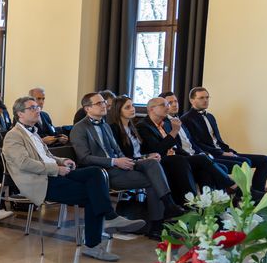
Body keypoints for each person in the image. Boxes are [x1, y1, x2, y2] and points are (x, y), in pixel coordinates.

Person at [3, 96, 146, 261]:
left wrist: (63, 161)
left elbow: (46, 156)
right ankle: (96, 240)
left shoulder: (33, 132)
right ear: (20, 113)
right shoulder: (13, 136)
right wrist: (57, 169)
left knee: (96, 172)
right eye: (33, 108)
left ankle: (108, 218)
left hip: (53, 172)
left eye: (38, 107)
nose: (38, 110)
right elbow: (24, 163)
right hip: (41, 181)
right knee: (93, 194)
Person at [70, 92, 185, 225]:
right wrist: (115, 161)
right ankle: (156, 223)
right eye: (99, 103)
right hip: (103, 172)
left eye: (104, 102)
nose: (104, 105)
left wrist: (140, 158)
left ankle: (168, 205)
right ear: (87, 108)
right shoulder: (79, 128)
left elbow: (118, 151)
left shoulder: (105, 126)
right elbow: (84, 158)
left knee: (152, 163)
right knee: (153, 180)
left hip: (119, 165)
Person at [137, 96, 239, 201]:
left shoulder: (164, 124)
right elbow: (158, 149)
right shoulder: (143, 126)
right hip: (160, 161)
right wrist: (174, 131)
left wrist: (190, 155)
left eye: (167, 104)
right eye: (163, 105)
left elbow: (176, 147)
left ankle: (208, 204)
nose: (167, 107)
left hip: (177, 158)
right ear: (151, 109)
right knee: (202, 159)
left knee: (205, 170)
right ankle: (231, 185)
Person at [109, 96, 199, 207]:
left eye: (132, 105)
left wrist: (148, 155)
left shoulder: (131, 127)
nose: (133, 109)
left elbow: (140, 151)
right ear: (118, 110)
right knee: (176, 161)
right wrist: (145, 157)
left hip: (143, 160)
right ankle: (179, 204)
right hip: (130, 163)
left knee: (189, 160)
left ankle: (189, 202)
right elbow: (124, 155)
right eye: (127, 107)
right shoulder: (114, 128)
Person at [180, 87, 267, 192]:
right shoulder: (186, 119)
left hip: (222, 151)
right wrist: (222, 153)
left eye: (207, 97)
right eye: (201, 98)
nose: (205, 100)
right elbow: (196, 144)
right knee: (245, 163)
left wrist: (229, 151)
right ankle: (241, 195)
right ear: (192, 100)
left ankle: (257, 192)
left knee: (265, 160)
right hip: (211, 154)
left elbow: (218, 140)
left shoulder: (210, 117)